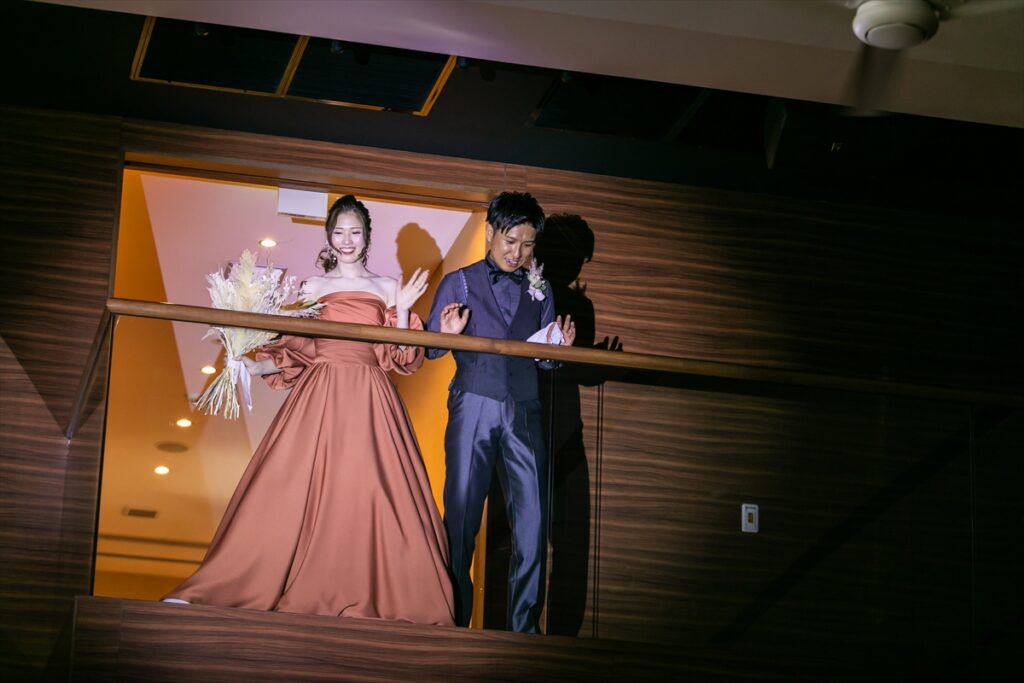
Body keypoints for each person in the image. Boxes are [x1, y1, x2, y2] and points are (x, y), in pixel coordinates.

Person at [163, 195, 454, 626]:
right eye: (339, 232)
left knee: (372, 491)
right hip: (321, 391)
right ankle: (232, 583)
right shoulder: (312, 287)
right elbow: (303, 349)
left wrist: (406, 306)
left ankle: (381, 594)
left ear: (367, 236)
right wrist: (253, 364)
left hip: (370, 393)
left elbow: (401, 357)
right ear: (329, 237)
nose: (347, 240)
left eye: (355, 232)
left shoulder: (389, 287)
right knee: (287, 486)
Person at [425, 191, 575, 633]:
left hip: (525, 410)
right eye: (511, 241)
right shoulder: (458, 282)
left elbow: (544, 359)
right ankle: (454, 621)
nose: (518, 253)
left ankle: (523, 630)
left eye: (528, 245)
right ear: (490, 231)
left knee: (533, 522)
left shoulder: (541, 288)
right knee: (461, 519)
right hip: (473, 404)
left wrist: (558, 352)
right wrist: (445, 333)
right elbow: (430, 349)